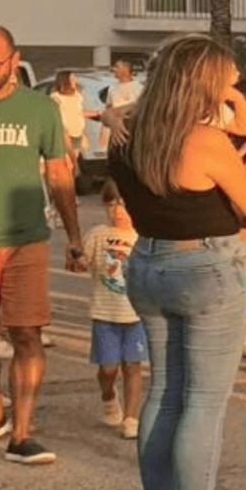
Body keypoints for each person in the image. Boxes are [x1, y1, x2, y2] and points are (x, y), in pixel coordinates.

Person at [106, 33, 246, 490]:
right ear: (204, 83)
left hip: (149, 263)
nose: (232, 87)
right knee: (203, 401)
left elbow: (236, 124)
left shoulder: (126, 130)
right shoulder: (204, 140)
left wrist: (231, 103)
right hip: (205, 267)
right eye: (225, 80)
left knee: (164, 391)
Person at [0, 25, 85, 465]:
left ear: (14, 59)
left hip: (25, 241)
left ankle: (22, 435)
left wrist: (75, 237)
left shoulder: (40, 109)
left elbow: (59, 174)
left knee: (27, 333)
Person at [87, 181, 146, 438]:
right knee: (108, 367)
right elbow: (82, 260)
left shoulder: (143, 236)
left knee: (133, 365)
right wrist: (77, 258)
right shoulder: (98, 234)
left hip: (136, 314)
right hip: (105, 312)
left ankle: (131, 417)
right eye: (110, 205)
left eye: (122, 204)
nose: (117, 211)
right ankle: (108, 395)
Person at [51, 70, 95, 169]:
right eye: (72, 79)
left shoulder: (78, 96)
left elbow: (78, 113)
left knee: (74, 160)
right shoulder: (56, 97)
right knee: (67, 161)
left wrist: (97, 113)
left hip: (77, 132)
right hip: (65, 134)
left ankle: (72, 176)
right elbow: (55, 116)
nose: (75, 81)